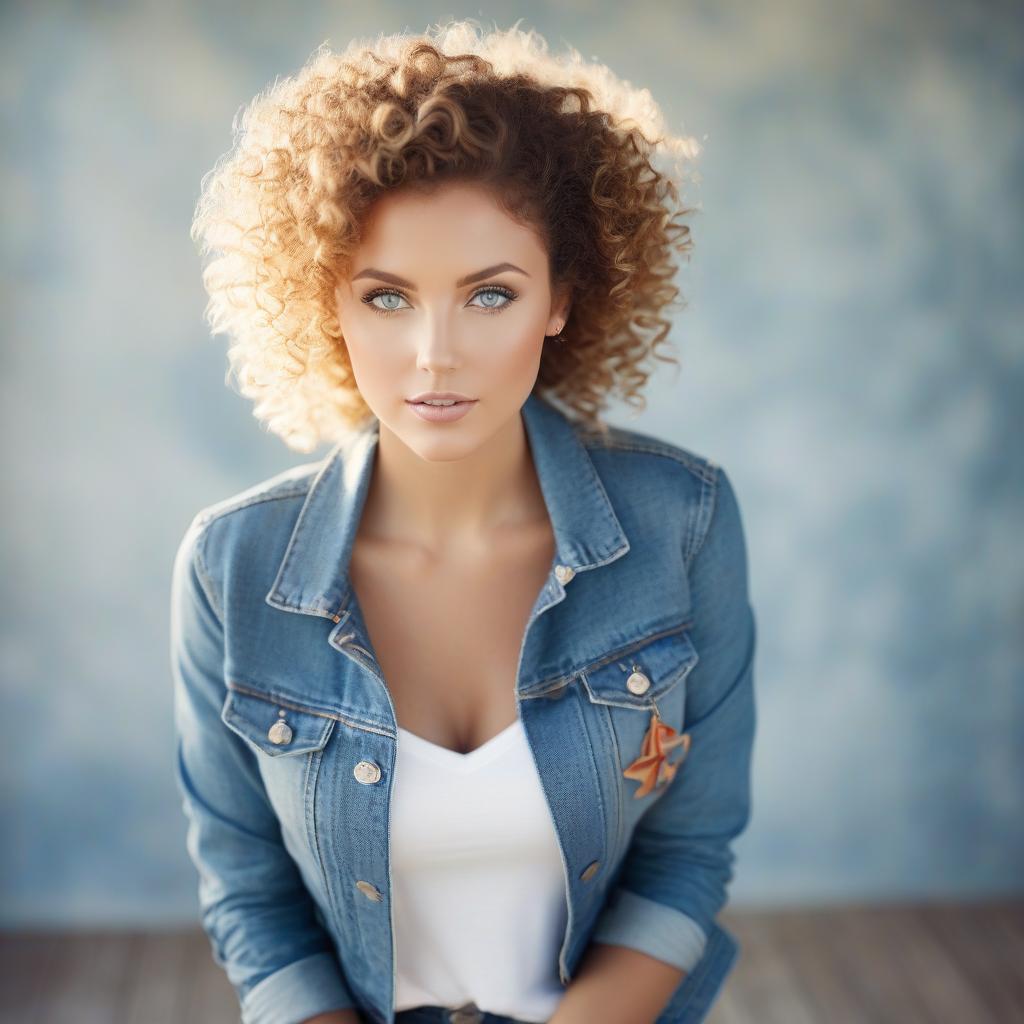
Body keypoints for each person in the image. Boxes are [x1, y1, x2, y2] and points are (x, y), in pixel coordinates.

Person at [173, 18, 757, 1024]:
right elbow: (250, 899)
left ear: (562, 297)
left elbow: (686, 860)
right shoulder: (229, 565)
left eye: (489, 294)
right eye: (388, 296)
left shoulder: (684, 523)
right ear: (328, 304)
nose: (434, 356)